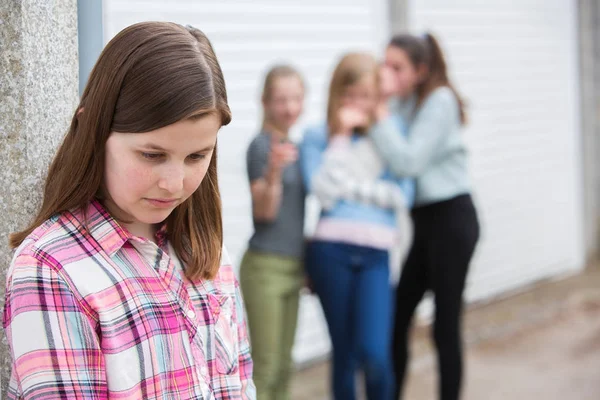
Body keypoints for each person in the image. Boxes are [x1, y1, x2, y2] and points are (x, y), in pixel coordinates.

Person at [3, 22, 255, 400]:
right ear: (93, 129)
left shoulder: (209, 251)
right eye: (152, 155)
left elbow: (241, 386)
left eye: (197, 156)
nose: (174, 182)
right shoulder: (52, 269)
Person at [370, 33, 480, 400]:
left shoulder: (440, 100)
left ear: (420, 70)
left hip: (451, 218)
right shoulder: (404, 103)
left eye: (396, 67)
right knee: (398, 318)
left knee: (444, 326)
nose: (388, 73)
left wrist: (380, 112)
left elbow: (408, 161)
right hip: (423, 223)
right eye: (384, 64)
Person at [300, 52, 414, 400]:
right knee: (345, 357)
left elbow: (403, 194)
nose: (357, 104)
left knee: (376, 355)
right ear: (337, 95)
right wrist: (340, 135)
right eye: (349, 96)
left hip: (377, 254)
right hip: (329, 252)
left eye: (365, 96)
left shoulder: (390, 135)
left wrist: (351, 189)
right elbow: (323, 193)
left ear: (377, 96)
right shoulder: (317, 136)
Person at [239, 65, 306, 400]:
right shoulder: (260, 147)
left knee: (284, 365)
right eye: (281, 100)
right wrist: (275, 172)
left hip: (293, 266)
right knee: (265, 368)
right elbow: (264, 212)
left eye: (295, 98)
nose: (289, 107)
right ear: (264, 102)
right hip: (264, 267)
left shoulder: (295, 145)